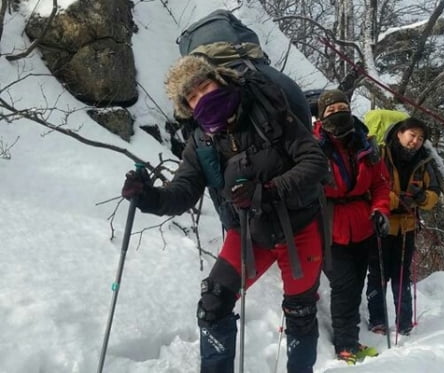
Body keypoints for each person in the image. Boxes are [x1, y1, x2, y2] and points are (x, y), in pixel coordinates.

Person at [121, 55, 328, 373]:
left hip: (298, 228)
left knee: (300, 312)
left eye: (204, 86)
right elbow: (183, 193)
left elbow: (314, 161)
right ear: (187, 108)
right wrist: (149, 197)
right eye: (191, 97)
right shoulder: (200, 143)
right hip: (249, 232)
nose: (201, 98)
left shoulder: (268, 113)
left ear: (221, 80)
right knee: (212, 305)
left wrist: (268, 190)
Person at [312, 89, 391, 364]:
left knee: (356, 284)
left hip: (364, 224)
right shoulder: (312, 145)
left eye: (341, 107)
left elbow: (380, 183)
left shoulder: (365, 143)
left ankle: (351, 338)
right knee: (344, 286)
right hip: (330, 226)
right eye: (331, 110)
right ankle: (345, 344)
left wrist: (381, 210)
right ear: (321, 116)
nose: (338, 113)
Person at [365, 116, 440, 336]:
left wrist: (421, 197)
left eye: (420, 138)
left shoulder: (424, 161)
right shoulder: (380, 154)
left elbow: (435, 193)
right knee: (377, 274)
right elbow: (370, 187)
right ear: (399, 133)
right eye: (412, 135)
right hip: (381, 224)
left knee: (401, 275)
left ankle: (404, 323)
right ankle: (377, 320)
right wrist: (397, 201)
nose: (415, 141)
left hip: (406, 227)